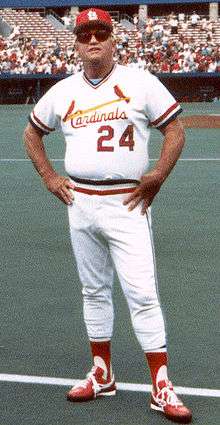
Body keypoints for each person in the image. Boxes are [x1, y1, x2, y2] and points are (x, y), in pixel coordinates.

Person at [23, 8, 192, 424]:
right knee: (93, 290)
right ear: (76, 43)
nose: (93, 40)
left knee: (142, 293)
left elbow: (176, 129)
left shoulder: (139, 82)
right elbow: (32, 132)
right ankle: (102, 373)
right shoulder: (63, 91)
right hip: (80, 201)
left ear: (114, 39)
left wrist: (157, 175)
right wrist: (49, 177)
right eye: (85, 35)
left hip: (126, 202)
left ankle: (161, 384)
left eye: (100, 33)